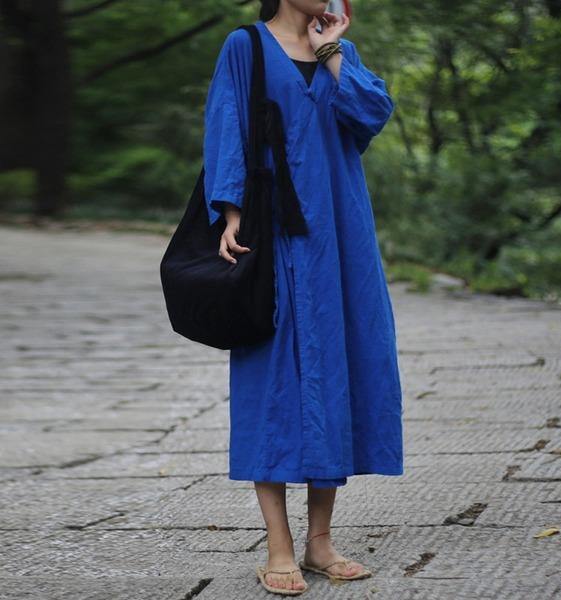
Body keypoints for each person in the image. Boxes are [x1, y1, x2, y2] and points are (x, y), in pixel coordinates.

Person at [203, 0, 404, 594]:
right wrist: (231, 212)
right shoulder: (245, 46)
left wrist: (332, 52)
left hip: (340, 235)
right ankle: (279, 546)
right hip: (272, 235)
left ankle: (320, 542)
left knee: (338, 373)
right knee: (270, 380)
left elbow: (371, 114)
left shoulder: (337, 49)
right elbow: (227, 126)